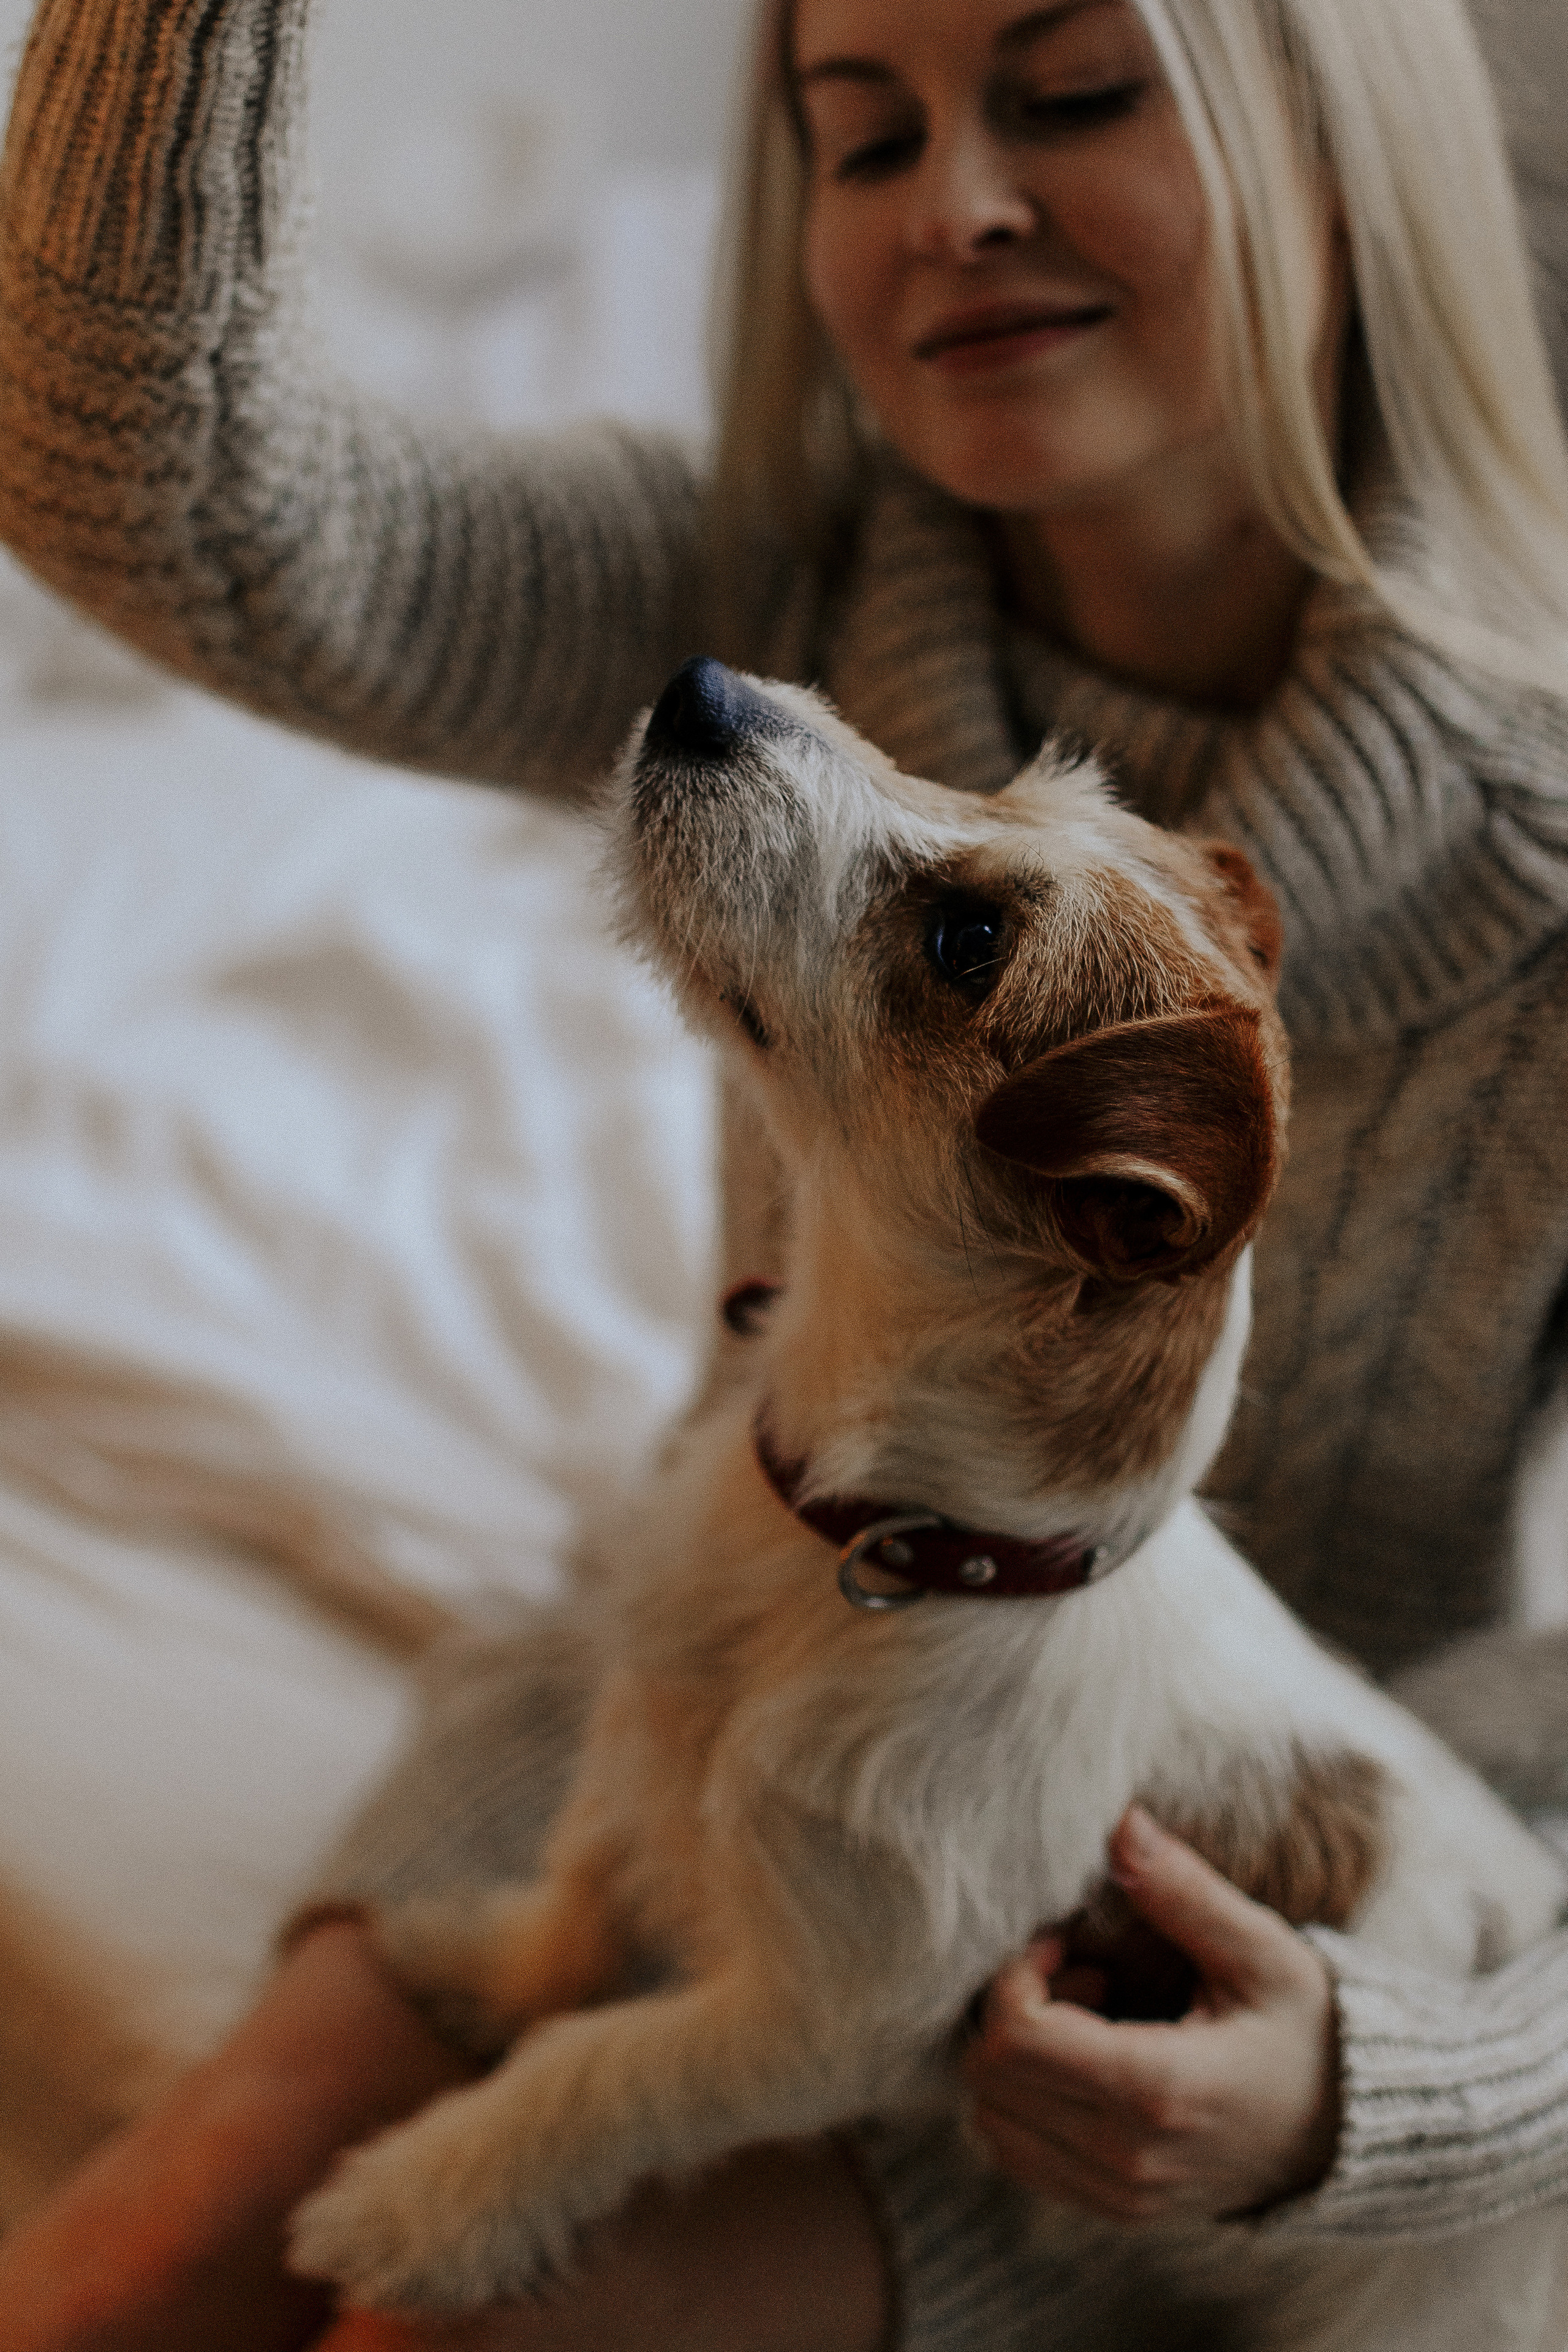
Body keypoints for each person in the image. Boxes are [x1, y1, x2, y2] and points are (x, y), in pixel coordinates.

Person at [0, 0, 1567, 2343]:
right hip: (679, 1678)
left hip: (1151, 1968)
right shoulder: (762, 586)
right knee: (145, 2246)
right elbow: (151, 495)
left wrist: (1410, 2084)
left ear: (1350, 146)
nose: (957, 206)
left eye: (1072, 93)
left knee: (453, 2323)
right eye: (861, 134)